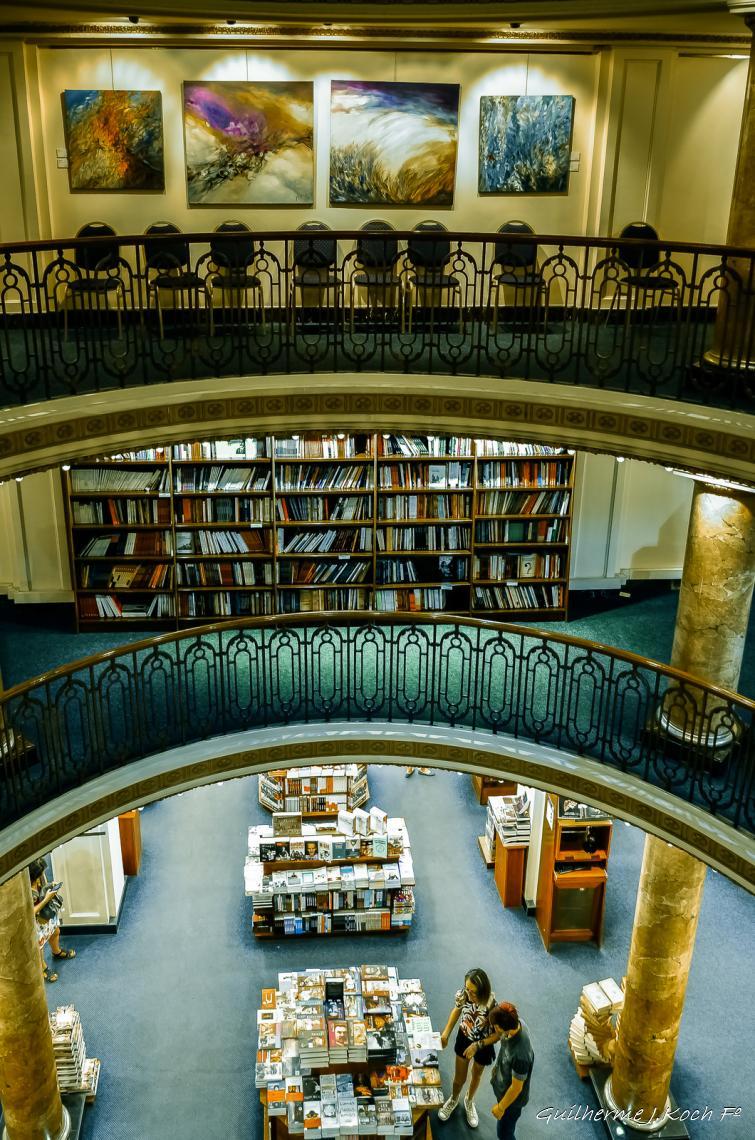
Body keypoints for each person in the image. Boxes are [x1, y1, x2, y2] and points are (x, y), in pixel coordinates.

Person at [438, 968, 501, 1128]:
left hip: (483, 1043)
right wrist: (445, 1033)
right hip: (464, 1037)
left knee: (476, 1075)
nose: (469, 995)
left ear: (483, 991)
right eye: (467, 989)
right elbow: (457, 1010)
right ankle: (453, 1099)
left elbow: (497, 1035)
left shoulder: (492, 1005)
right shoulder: (463, 995)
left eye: (473, 992)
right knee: (459, 1078)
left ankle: (469, 1100)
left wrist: (477, 1045)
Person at [489, 1002, 534, 1139]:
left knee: (504, 1133)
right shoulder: (517, 1024)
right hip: (504, 1084)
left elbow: (516, 1088)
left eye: (495, 1027)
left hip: (511, 1102)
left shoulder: (521, 1055)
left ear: (504, 1028)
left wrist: (501, 1107)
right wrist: (497, 1068)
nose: (493, 1028)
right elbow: (504, 1048)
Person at [28, 858, 76, 983]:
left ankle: (56, 952)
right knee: (40, 946)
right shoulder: (25, 890)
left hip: (47, 914)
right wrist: (46, 899)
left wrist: (51, 887)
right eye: (41, 873)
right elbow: (30, 912)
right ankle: (43, 968)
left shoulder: (40, 878)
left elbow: (44, 887)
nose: (43, 875)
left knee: (55, 932)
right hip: (35, 921)